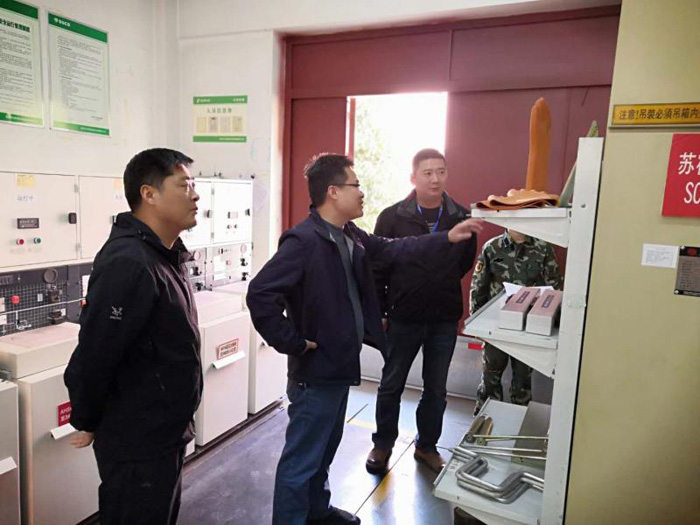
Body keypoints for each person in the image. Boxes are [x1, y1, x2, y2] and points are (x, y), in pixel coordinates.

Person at [246, 153, 482, 525]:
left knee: (324, 449)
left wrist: (446, 238)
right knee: (302, 458)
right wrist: (291, 342)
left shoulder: (349, 234)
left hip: (339, 364)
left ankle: (317, 511)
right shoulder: (304, 241)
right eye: (355, 185)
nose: (361, 192)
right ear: (333, 192)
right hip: (315, 370)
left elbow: (393, 248)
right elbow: (260, 294)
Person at [64, 148, 202, 525]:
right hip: (139, 439)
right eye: (184, 185)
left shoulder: (164, 257)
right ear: (149, 194)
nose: (195, 195)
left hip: (163, 432)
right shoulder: (130, 262)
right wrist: (86, 417)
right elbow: (97, 351)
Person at [366, 148, 478, 475]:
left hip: (443, 316)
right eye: (427, 172)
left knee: (436, 389)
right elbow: (378, 266)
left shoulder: (461, 216)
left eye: (441, 171)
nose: (435, 179)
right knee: (391, 383)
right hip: (403, 315)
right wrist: (381, 309)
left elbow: (463, 263)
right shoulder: (392, 217)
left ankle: (427, 446)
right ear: (413, 177)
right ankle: (383, 443)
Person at [469, 229, 563, 415]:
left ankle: (519, 419)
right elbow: (479, 287)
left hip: (528, 327)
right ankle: (487, 419)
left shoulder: (543, 248)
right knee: (490, 377)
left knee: (523, 381)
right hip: (496, 326)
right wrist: (476, 323)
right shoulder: (492, 247)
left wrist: (555, 324)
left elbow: (555, 290)